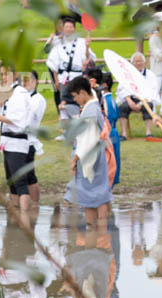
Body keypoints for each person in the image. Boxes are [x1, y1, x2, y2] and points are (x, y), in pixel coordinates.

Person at [68, 76, 115, 227]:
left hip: (90, 156)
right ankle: (101, 234)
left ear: (82, 93)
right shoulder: (93, 104)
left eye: (75, 96)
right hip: (98, 155)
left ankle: (93, 228)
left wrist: (75, 159)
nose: (75, 100)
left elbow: (87, 141)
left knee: (90, 196)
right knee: (100, 192)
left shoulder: (90, 112)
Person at [0, 66, 34, 211]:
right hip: (7, 142)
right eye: (1, 74)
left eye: (6, 74)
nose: (3, 77)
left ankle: (25, 216)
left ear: (15, 74)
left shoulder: (19, 92)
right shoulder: (8, 93)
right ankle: (15, 213)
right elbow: (7, 119)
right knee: (11, 182)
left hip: (17, 143)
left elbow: (17, 120)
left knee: (20, 181)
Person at [45, 16, 94, 124]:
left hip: (78, 77)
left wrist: (87, 46)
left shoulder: (81, 42)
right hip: (64, 78)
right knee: (64, 103)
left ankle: (80, 125)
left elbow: (87, 58)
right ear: (63, 29)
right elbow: (53, 63)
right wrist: (56, 80)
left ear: (74, 29)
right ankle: (65, 130)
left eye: (71, 27)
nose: (69, 29)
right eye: (66, 27)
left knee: (79, 101)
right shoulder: (58, 43)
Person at [117, 52, 157, 139]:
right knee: (123, 107)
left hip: (145, 99)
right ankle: (124, 134)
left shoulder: (150, 75)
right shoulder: (126, 74)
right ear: (132, 63)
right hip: (131, 99)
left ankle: (148, 133)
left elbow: (153, 90)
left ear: (144, 62)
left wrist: (141, 103)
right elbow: (122, 89)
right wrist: (129, 100)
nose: (138, 63)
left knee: (148, 106)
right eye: (136, 61)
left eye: (140, 61)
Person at [24, 71, 47, 204]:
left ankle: (35, 204)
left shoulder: (38, 99)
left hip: (29, 140)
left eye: (29, 80)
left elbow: (29, 118)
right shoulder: (21, 97)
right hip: (17, 141)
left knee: (29, 175)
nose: (25, 83)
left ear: (35, 82)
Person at [100, 71, 121, 186]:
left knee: (109, 164)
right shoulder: (111, 99)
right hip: (114, 132)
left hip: (109, 133)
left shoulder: (104, 101)